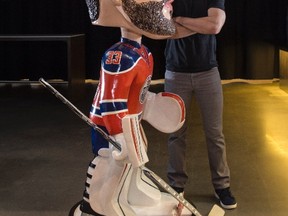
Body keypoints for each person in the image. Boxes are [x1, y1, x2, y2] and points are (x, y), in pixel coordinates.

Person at [69, 0, 190, 215]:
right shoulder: (119, 57)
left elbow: (138, 93)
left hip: (131, 123)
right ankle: (99, 203)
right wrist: (119, 134)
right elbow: (111, 101)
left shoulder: (145, 54)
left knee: (134, 163)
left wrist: (152, 105)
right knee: (112, 163)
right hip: (109, 127)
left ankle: (132, 192)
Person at [164, 0, 237, 210]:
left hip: (208, 72)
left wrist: (179, 20)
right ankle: (176, 185)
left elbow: (214, 26)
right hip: (175, 72)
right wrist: (199, 24)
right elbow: (167, 32)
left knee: (215, 133)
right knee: (176, 132)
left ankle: (222, 186)